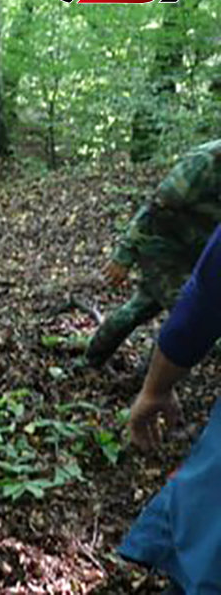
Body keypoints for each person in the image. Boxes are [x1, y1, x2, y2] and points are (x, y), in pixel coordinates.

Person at [119, 224, 221, 593]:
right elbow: (156, 211)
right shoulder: (196, 171)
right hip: (163, 252)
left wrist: (156, 387)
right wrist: (125, 255)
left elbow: (205, 298)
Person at [86, 139, 221, 367]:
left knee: (139, 308)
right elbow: (155, 207)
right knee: (186, 311)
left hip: (195, 248)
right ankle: (154, 383)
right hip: (161, 247)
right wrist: (124, 254)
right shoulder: (203, 163)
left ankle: (92, 359)